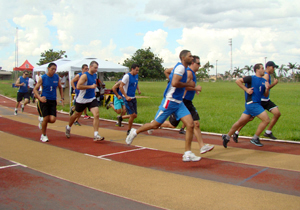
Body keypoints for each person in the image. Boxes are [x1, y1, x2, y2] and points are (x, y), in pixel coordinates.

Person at [126, 50, 201, 162]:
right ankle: (134, 132)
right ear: (183, 57)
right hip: (170, 101)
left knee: (190, 125)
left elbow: (170, 75)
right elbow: (175, 83)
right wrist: (189, 84)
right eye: (190, 56)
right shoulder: (180, 68)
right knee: (155, 125)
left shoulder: (183, 68)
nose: (192, 58)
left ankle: (187, 154)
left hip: (179, 102)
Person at [149, 56, 214, 154]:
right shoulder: (188, 73)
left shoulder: (191, 73)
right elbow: (184, 86)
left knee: (182, 124)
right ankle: (153, 124)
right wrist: (195, 88)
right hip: (182, 102)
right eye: (198, 63)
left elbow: (184, 84)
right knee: (189, 124)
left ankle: (202, 146)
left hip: (186, 102)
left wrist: (194, 89)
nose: (199, 65)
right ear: (193, 63)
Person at [222, 63, 270, 148]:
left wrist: (267, 88)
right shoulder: (251, 78)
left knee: (240, 122)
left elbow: (265, 95)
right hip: (252, 103)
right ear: (257, 70)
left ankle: (227, 136)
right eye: (262, 68)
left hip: (256, 104)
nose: (264, 70)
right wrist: (246, 89)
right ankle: (255, 138)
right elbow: (238, 81)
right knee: (266, 120)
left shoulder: (264, 81)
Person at [232, 61, 280, 141]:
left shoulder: (267, 75)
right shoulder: (265, 76)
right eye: (273, 67)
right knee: (248, 118)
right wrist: (274, 84)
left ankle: (268, 131)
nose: (274, 69)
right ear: (268, 67)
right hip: (260, 101)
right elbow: (262, 88)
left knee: (277, 113)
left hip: (266, 100)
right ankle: (237, 132)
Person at [65, 61, 104, 141]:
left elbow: (93, 85)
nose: (96, 69)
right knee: (76, 114)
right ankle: (68, 127)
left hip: (91, 98)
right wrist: (90, 87)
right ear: (91, 67)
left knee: (96, 114)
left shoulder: (95, 76)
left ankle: (96, 134)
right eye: (95, 67)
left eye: (97, 68)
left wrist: (94, 90)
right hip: (82, 99)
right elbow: (78, 86)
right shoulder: (84, 76)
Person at [34, 63, 64, 142]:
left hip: (53, 100)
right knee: (46, 118)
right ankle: (43, 135)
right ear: (48, 68)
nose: (54, 71)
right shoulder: (43, 78)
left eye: (55, 69)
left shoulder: (56, 77)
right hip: (44, 100)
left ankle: (41, 121)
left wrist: (62, 98)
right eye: (52, 69)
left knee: (52, 119)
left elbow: (60, 87)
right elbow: (35, 89)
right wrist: (40, 98)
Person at [119, 64, 141, 134]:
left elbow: (136, 83)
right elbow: (121, 86)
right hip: (127, 98)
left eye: (138, 70)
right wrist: (125, 96)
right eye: (136, 70)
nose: (137, 71)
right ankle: (129, 130)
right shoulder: (127, 76)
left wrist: (138, 89)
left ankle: (121, 118)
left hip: (133, 97)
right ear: (132, 69)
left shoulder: (136, 76)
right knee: (132, 115)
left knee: (135, 115)